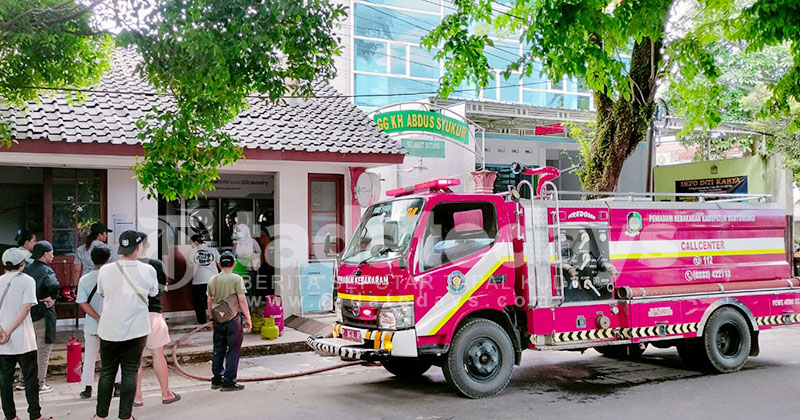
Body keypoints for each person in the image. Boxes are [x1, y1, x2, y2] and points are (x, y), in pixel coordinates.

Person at [93, 231, 158, 420]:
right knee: (130, 371)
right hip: (136, 330)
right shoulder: (148, 270)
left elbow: (102, 293)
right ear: (138, 247)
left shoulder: (105, 270)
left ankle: (100, 416)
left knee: (107, 372)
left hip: (109, 329)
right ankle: (125, 416)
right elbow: (153, 292)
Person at [0, 248, 57, 420]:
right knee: (31, 378)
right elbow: (25, 309)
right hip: (23, 338)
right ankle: (35, 415)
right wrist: (9, 331)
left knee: (5, 379)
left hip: (2, 340)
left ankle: (10, 416)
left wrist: (2, 331)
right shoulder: (27, 280)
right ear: (22, 264)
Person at [133, 232, 180, 407]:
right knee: (158, 354)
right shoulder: (156, 265)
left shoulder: (125, 266)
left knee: (134, 358)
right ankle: (166, 394)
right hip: (153, 313)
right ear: (147, 245)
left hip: (133, 316)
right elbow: (162, 289)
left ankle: (137, 397)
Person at [75, 244, 121, 400]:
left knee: (90, 356)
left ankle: (87, 389)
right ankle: (117, 386)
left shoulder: (84, 279)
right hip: (112, 323)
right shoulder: (115, 277)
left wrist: (96, 317)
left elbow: (82, 302)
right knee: (114, 356)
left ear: (91, 259)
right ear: (108, 259)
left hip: (92, 325)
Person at [207, 251, 252, 391]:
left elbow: (209, 301)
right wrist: (248, 318)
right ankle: (229, 381)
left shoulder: (212, 279)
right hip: (233, 319)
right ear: (234, 263)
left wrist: (211, 318)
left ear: (219, 264)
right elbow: (242, 300)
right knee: (233, 350)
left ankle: (216, 380)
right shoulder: (236, 279)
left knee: (218, 349)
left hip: (218, 319)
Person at [22, 241, 59, 394]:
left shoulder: (26, 269)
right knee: (43, 349)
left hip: (26, 315)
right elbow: (54, 285)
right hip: (43, 313)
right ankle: (39, 383)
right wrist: (53, 297)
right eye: (51, 252)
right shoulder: (47, 271)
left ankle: (23, 381)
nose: (53, 255)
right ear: (45, 254)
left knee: (27, 350)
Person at [187, 234, 219, 324]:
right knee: (214, 300)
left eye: (192, 243)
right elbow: (219, 264)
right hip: (213, 279)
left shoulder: (193, 251)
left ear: (196, 242)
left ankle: (202, 321)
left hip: (198, 280)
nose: (191, 245)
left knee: (199, 302)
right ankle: (216, 319)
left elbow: (190, 266)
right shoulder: (213, 250)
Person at [232, 224, 261, 304]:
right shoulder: (236, 243)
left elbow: (259, 252)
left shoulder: (252, 242)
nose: (238, 233)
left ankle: (248, 309)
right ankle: (241, 310)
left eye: (239, 231)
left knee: (248, 290)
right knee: (239, 291)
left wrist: (252, 258)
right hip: (238, 270)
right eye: (237, 231)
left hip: (249, 269)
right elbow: (233, 255)